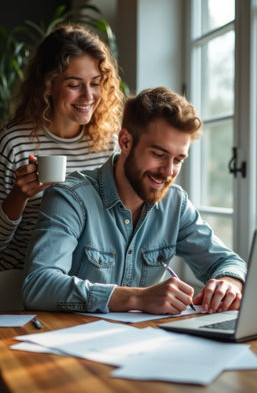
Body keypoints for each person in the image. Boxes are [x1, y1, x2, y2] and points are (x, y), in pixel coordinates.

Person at [22, 87, 246, 315]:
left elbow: (229, 262)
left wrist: (229, 282)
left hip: (144, 343)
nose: (168, 171)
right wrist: (137, 297)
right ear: (126, 141)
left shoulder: (175, 205)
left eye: (178, 159)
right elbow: (38, 285)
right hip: (68, 344)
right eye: (159, 155)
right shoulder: (70, 198)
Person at [0, 23, 123, 273]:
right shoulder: (15, 143)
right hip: (17, 282)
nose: (88, 96)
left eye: (96, 83)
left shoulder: (108, 143)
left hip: (82, 285)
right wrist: (19, 195)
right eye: (74, 85)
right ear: (48, 85)